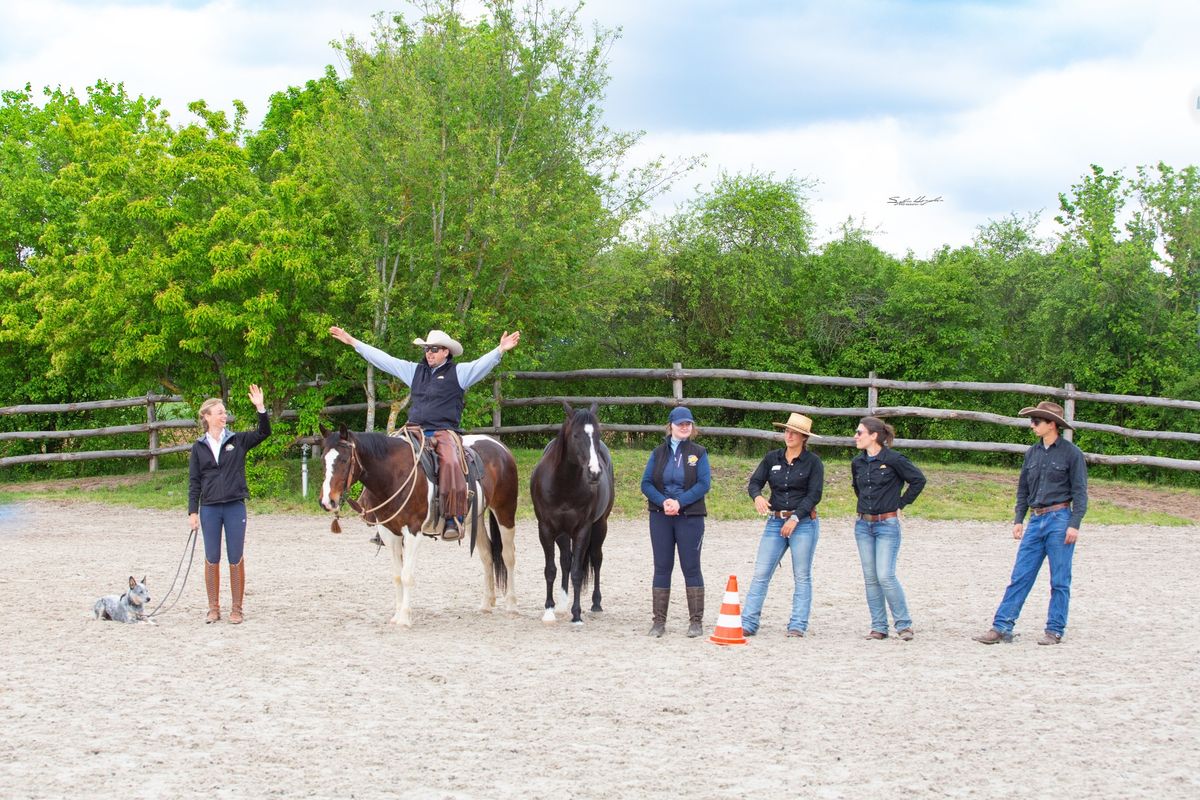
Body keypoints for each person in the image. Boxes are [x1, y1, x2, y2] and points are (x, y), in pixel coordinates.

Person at [329, 325, 520, 540]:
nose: (429, 353)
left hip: (444, 432)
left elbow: (481, 365)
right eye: (427, 349)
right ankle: (380, 515)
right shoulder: (414, 371)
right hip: (413, 431)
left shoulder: (459, 373)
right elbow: (384, 360)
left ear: (446, 352)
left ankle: (452, 517)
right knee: (380, 458)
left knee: (450, 462)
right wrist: (353, 341)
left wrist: (500, 350)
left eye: (434, 349)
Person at [974, 401, 1088, 646]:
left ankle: (1054, 629)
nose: (1032, 425)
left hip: (1060, 518)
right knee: (1020, 575)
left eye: (1037, 421)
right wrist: (1019, 518)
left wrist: (1074, 523)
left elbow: (1080, 492)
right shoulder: (1032, 453)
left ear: (1052, 424)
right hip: (1036, 520)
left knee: (1059, 579)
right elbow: (1023, 488)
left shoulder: (1072, 454)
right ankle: (1002, 626)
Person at [188, 385, 271, 625]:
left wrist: (260, 408)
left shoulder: (238, 440)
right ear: (207, 417)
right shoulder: (198, 446)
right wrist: (193, 511)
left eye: (225, 412)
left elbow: (264, 432)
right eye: (220, 412)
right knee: (211, 556)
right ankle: (213, 608)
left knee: (235, 556)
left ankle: (237, 608)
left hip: (235, 506)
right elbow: (194, 481)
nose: (224, 416)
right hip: (210, 508)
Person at [741, 412, 824, 638]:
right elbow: (755, 482)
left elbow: (814, 494)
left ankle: (797, 624)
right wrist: (757, 496)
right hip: (775, 521)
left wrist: (796, 517)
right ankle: (748, 622)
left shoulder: (813, 462)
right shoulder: (772, 458)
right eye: (787, 431)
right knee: (761, 572)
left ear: (804, 437)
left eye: (794, 432)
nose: (788, 435)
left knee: (802, 575)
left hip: (804, 523)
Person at [851, 416, 926, 641]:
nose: (855, 436)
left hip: (887, 524)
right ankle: (879, 626)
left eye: (859, 432)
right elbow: (857, 487)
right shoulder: (857, 462)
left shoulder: (894, 459)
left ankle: (903, 624)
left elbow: (918, 480)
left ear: (874, 436)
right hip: (863, 524)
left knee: (885, 575)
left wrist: (900, 503)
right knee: (870, 577)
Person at [640, 406, 712, 638]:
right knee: (662, 566)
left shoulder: (699, 452)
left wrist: (680, 502)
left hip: (690, 516)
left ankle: (696, 622)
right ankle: (659, 622)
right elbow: (646, 483)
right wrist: (664, 502)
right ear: (670, 425)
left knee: (691, 567)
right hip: (661, 516)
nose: (684, 427)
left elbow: (703, 484)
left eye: (688, 423)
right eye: (680, 423)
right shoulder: (657, 453)